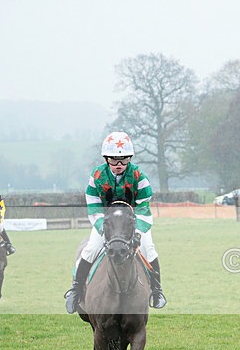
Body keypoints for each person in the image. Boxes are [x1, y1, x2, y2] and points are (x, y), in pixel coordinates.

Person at [64, 131, 167, 313]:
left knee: (149, 250)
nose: (119, 164)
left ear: (129, 158)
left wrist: (138, 232)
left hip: (133, 224)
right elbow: (94, 206)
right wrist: (106, 229)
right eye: (114, 159)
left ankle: (157, 291)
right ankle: (76, 289)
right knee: (90, 249)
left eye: (124, 159)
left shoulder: (138, 175)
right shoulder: (97, 175)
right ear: (106, 158)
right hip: (107, 224)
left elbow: (144, 207)